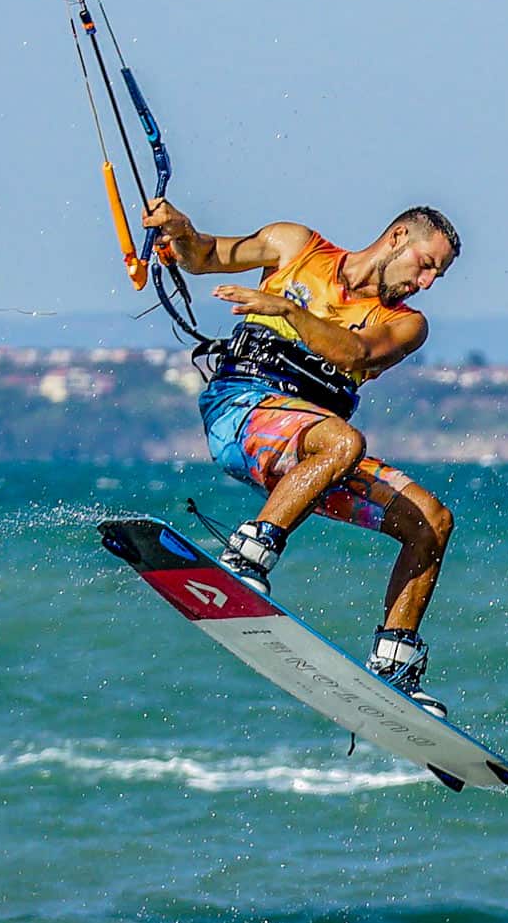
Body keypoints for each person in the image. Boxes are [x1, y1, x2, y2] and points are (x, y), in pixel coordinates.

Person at [142, 197, 461, 719]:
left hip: (315, 451)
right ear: (398, 237)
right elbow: (202, 256)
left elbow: (357, 355)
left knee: (430, 522)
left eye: (438, 276)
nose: (426, 283)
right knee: (342, 442)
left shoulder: (407, 324)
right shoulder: (296, 245)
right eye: (427, 265)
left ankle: (394, 668)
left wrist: (288, 311)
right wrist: (180, 230)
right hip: (242, 410)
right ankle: (245, 559)